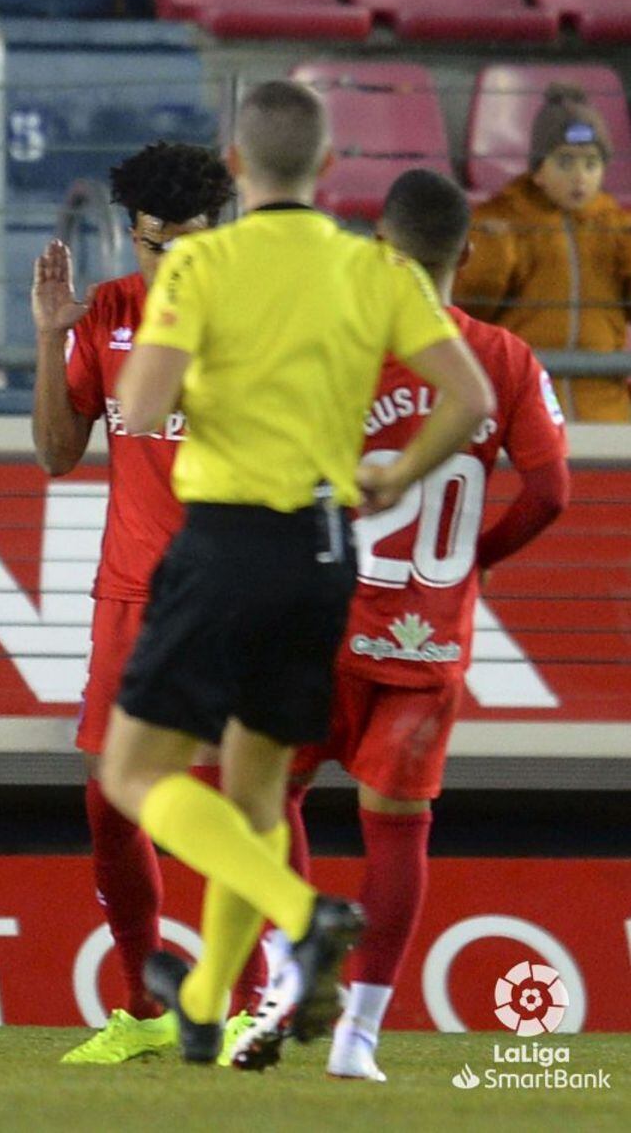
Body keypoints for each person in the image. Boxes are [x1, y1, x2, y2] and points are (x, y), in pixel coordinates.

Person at [98, 80, 495, 1069]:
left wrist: (205, 358)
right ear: (326, 171)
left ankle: (302, 915)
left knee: (133, 771)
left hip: (226, 539)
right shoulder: (377, 270)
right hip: (325, 553)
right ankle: (201, 1001)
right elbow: (468, 394)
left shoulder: (204, 264)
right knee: (256, 795)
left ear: (235, 168)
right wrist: (396, 475)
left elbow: (140, 405)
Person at [279, 168, 570, 1082]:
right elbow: (554, 491)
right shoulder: (507, 360)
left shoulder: (336, 349)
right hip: (427, 639)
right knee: (398, 832)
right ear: (468, 255)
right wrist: (476, 560)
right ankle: (358, 1038)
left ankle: (287, 976)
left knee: (264, 799)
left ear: (377, 252)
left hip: (318, 628)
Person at [32, 143, 264, 1065]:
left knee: (229, 803)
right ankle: (142, 1007)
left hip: (233, 594)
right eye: (150, 244)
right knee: (112, 813)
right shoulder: (114, 315)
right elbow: (57, 456)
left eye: (187, 244)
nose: (166, 263)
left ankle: (252, 1006)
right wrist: (51, 339)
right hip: (131, 599)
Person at [454, 82, 631, 422]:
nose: (580, 177)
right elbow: (471, 310)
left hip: (604, 411)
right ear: (538, 170)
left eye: (591, 164)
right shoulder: (499, 222)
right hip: (526, 408)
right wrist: (495, 255)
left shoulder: (615, 227)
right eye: (565, 162)